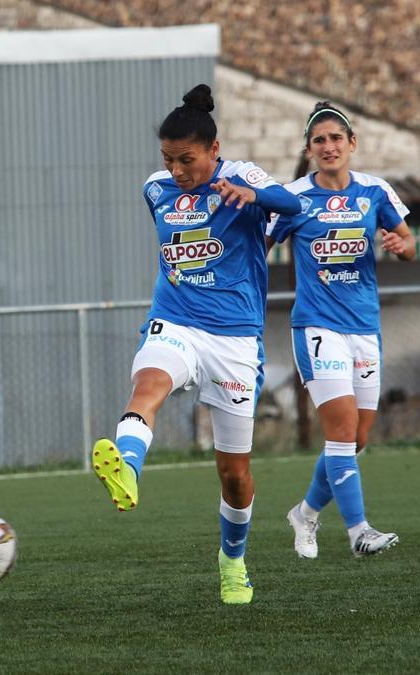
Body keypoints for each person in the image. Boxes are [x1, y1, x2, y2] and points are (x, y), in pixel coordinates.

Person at [91, 84, 302, 605]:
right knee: (149, 383)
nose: (177, 169)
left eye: (186, 159)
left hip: (233, 340)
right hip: (176, 321)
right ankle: (127, 470)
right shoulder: (156, 189)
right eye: (168, 158)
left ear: (213, 149)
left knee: (234, 474)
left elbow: (291, 203)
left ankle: (233, 562)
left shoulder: (241, 177)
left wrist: (254, 196)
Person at [266, 101, 416, 559]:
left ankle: (306, 513)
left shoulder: (374, 191)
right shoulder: (293, 198)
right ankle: (359, 531)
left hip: (364, 328)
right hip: (317, 327)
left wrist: (398, 243)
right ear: (309, 150)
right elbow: (256, 248)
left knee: (358, 438)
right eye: (319, 140)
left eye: (336, 138)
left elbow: (409, 242)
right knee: (342, 427)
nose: (328, 146)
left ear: (352, 144)